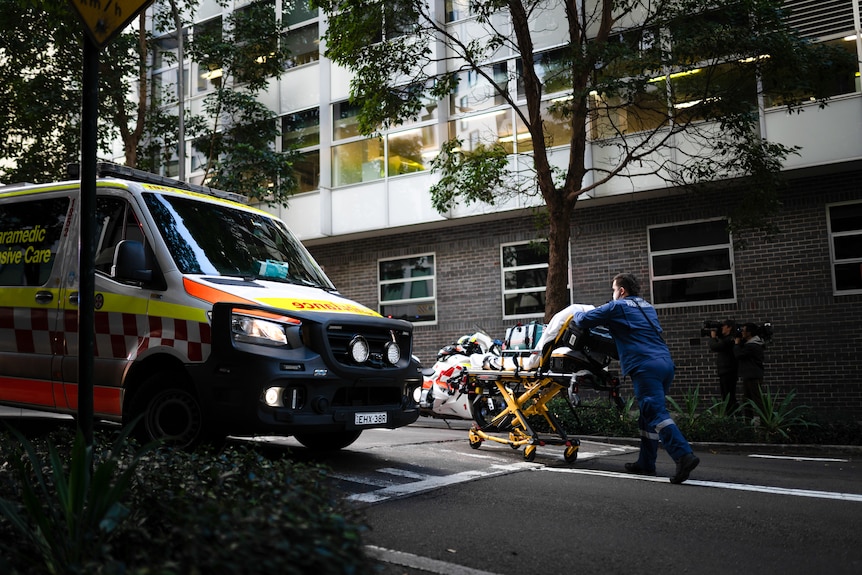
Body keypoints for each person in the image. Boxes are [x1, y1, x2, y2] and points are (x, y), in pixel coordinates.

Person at [574, 273, 700, 484]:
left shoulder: (617, 307)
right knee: (647, 415)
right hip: (664, 363)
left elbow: (584, 320)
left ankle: (683, 455)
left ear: (621, 291)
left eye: (614, 290)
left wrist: (577, 312)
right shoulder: (647, 307)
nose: (613, 294)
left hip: (644, 365)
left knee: (653, 410)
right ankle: (646, 463)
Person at [734, 323, 766, 421]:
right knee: (747, 401)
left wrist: (736, 344)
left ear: (749, 332)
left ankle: (765, 422)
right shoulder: (753, 343)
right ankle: (748, 422)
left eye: (743, 330)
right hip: (750, 376)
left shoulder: (752, 345)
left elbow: (738, 355)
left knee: (758, 401)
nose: (742, 332)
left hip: (753, 376)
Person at [708, 320, 739, 413]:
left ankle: (735, 416)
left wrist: (713, 338)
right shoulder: (727, 339)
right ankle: (732, 415)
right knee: (726, 395)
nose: (722, 328)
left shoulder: (730, 339)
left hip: (729, 371)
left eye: (724, 326)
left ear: (729, 327)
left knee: (729, 396)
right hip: (725, 370)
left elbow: (716, 346)